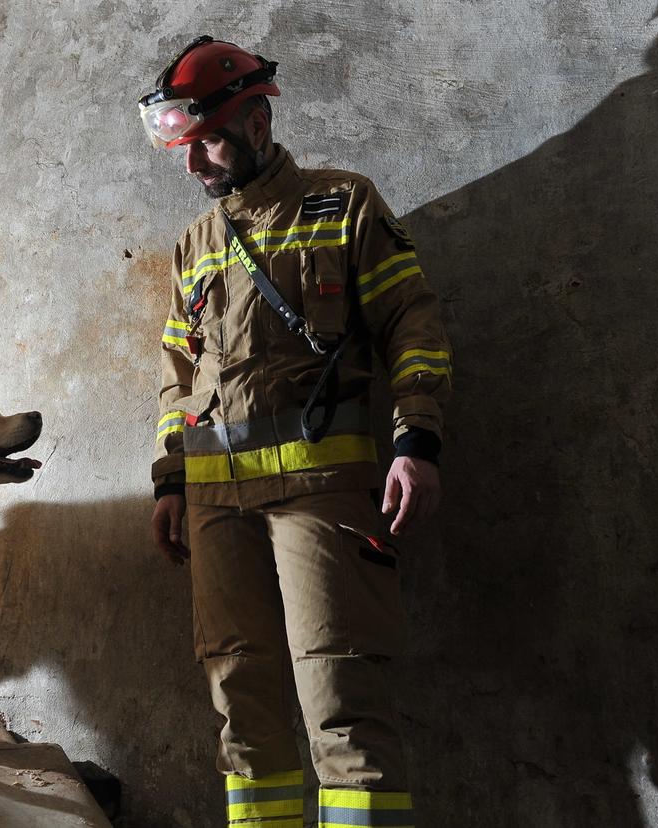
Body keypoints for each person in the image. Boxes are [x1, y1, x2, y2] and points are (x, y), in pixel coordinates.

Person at [141, 35, 451, 828]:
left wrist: (417, 438)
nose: (194, 164)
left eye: (205, 140)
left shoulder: (344, 203)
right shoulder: (195, 247)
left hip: (322, 496)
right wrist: (170, 478)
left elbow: (411, 323)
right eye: (183, 146)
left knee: (341, 702)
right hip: (215, 507)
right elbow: (179, 379)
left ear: (254, 122)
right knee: (240, 714)